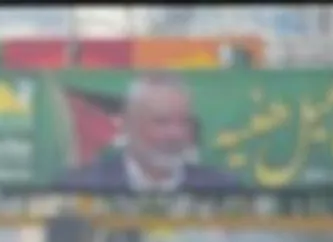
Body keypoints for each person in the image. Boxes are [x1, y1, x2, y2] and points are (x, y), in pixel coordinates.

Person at [52, 74, 243, 193]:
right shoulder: (81, 185)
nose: (175, 134)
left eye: (183, 122)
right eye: (162, 122)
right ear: (129, 126)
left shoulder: (222, 186)